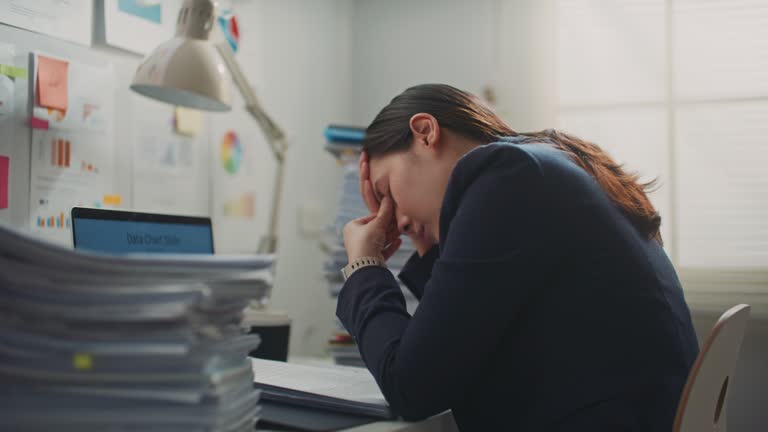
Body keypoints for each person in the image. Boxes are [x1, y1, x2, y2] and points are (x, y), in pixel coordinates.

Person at [336, 84, 699, 431]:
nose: (395, 220)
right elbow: (452, 353)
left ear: (425, 131)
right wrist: (425, 241)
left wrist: (363, 266)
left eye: (387, 192)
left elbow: (412, 387)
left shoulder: (507, 176)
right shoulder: (549, 164)